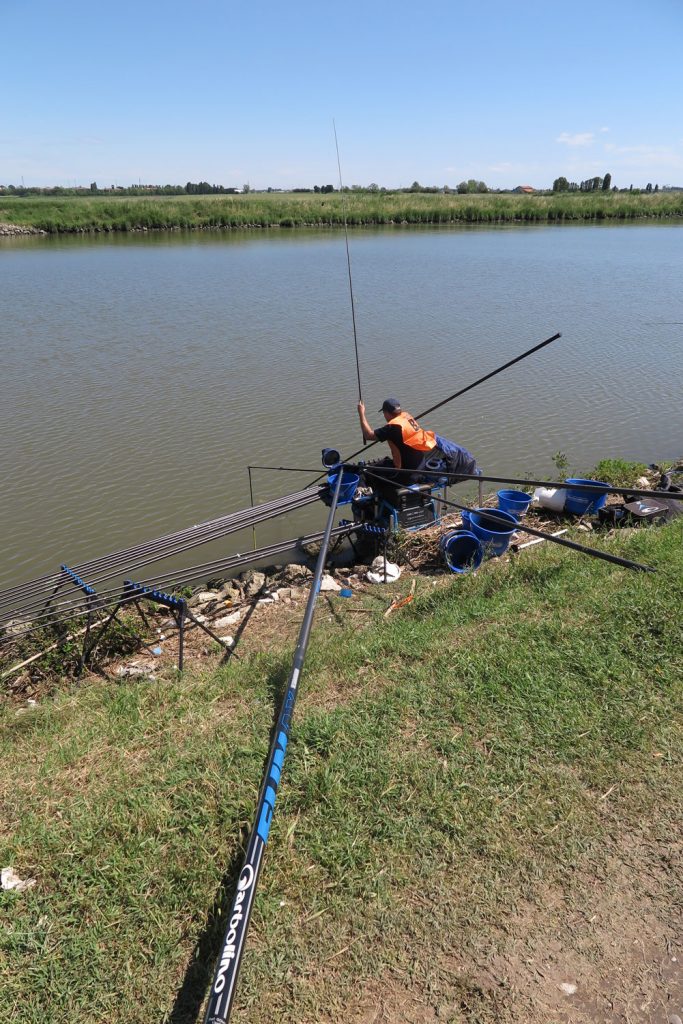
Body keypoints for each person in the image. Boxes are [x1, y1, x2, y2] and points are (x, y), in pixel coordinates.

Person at [357, 398, 478, 482]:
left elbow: (368, 435)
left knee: (366, 472)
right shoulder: (407, 418)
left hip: (407, 475)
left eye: (383, 413)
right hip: (421, 467)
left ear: (387, 413)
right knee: (384, 463)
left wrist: (361, 413)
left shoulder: (392, 427)